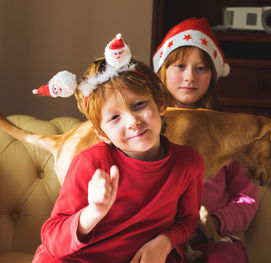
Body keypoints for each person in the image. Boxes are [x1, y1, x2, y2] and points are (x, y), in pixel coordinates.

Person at [32, 33, 205, 263]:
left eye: (139, 105)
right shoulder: (90, 163)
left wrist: (164, 242)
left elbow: (188, 220)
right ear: (101, 133)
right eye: (114, 117)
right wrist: (92, 213)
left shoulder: (189, 163)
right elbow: (51, 239)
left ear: (160, 103)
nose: (133, 121)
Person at [153, 17, 258, 263]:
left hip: (214, 237)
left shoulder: (228, 132)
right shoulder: (146, 127)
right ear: (163, 70)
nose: (190, 77)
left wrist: (215, 222)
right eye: (179, 66)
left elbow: (247, 197)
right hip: (157, 235)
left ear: (213, 75)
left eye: (201, 68)